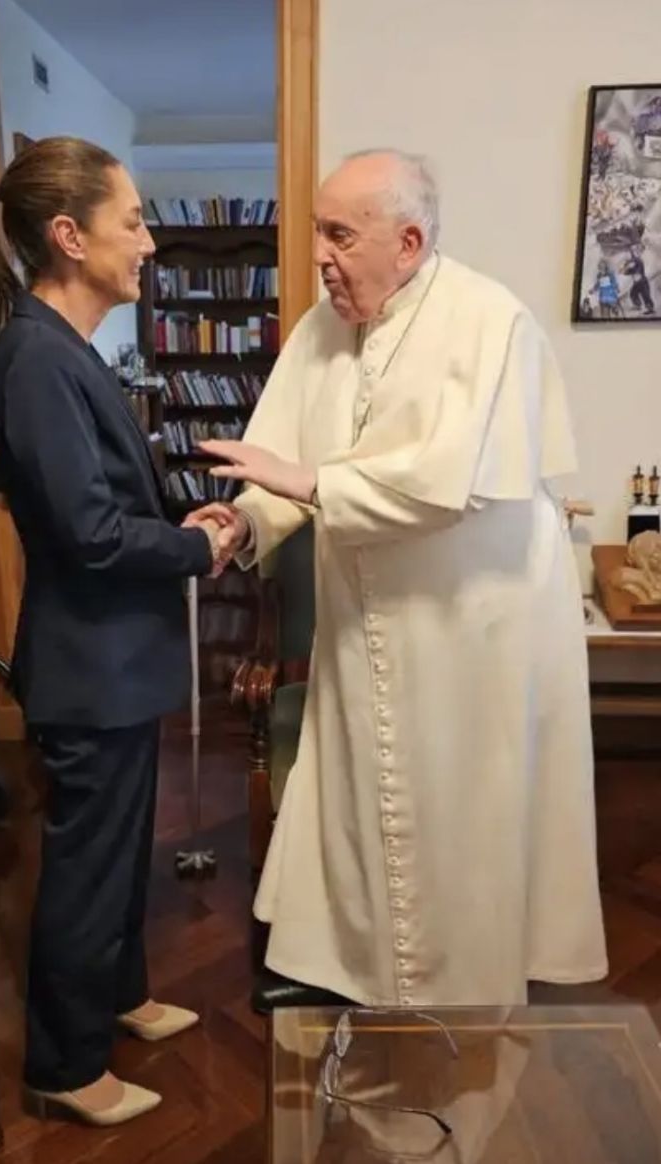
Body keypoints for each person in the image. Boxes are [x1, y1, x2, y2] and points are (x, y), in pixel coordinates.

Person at [197, 149, 608, 1008]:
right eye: (318, 231)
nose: (319, 255)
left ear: (410, 241)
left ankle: (461, 983)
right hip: (367, 616)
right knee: (358, 794)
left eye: (339, 234)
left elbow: (445, 482)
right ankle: (354, 970)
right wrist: (242, 519)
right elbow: (286, 461)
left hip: (470, 620)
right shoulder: (323, 327)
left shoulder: (488, 322)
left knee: (462, 806)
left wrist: (308, 486)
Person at [0, 136, 235, 1125]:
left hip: (116, 661)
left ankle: (117, 998)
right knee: (85, 870)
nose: (151, 243)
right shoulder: (35, 358)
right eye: (133, 222)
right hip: (91, 666)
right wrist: (195, 552)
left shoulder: (61, 350)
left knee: (119, 854)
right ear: (70, 237)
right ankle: (66, 1066)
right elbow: (86, 534)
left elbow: (110, 512)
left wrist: (181, 528)